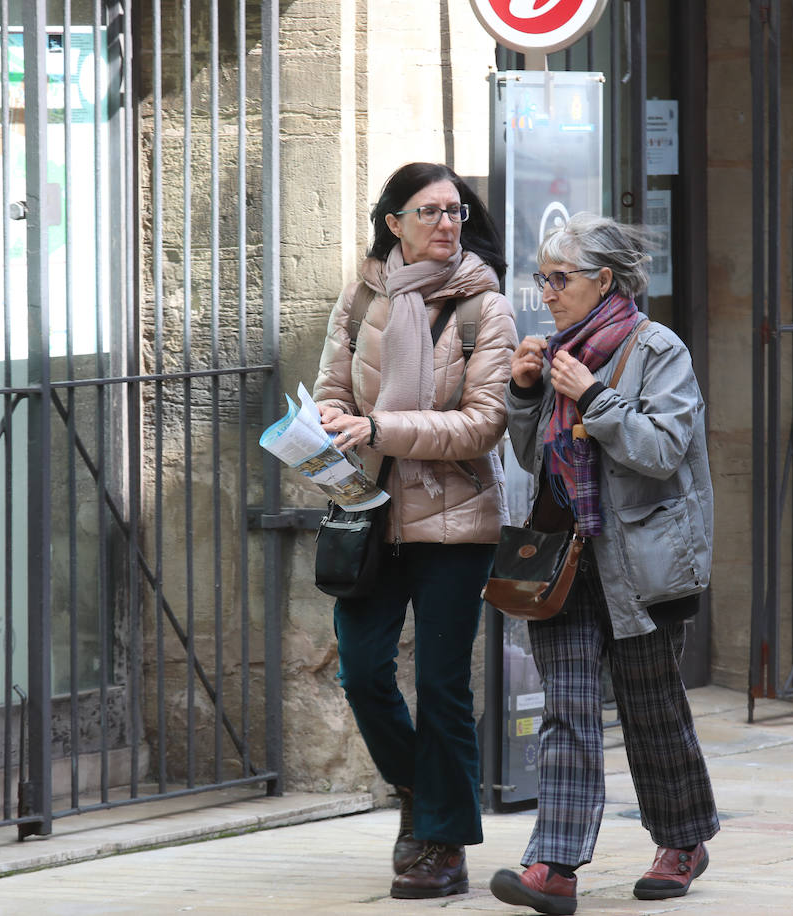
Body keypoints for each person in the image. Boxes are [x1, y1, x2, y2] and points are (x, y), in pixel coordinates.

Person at [488, 213, 719, 915]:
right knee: (567, 711)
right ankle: (553, 867)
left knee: (651, 709)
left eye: (560, 279)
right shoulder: (558, 352)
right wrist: (525, 393)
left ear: (605, 281)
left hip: (643, 562)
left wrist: (591, 394)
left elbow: (661, 450)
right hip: (562, 557)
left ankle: (682, 842)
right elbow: (531, 456)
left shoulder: (659, 349)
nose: (547, 293)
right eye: (542, 279)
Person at [313, 162, 518, 899]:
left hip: (455, 524)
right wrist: (327, 421)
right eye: (429, 211)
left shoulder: (484, 308)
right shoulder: (362, 296)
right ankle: (422, 790)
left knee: (441, 684)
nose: (446, 224)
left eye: (455, 211)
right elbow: (333, 388)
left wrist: (379, 428)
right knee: (363, 672)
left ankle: (444, 843)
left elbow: (483, 424)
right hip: (369, 514)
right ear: (393, 222)